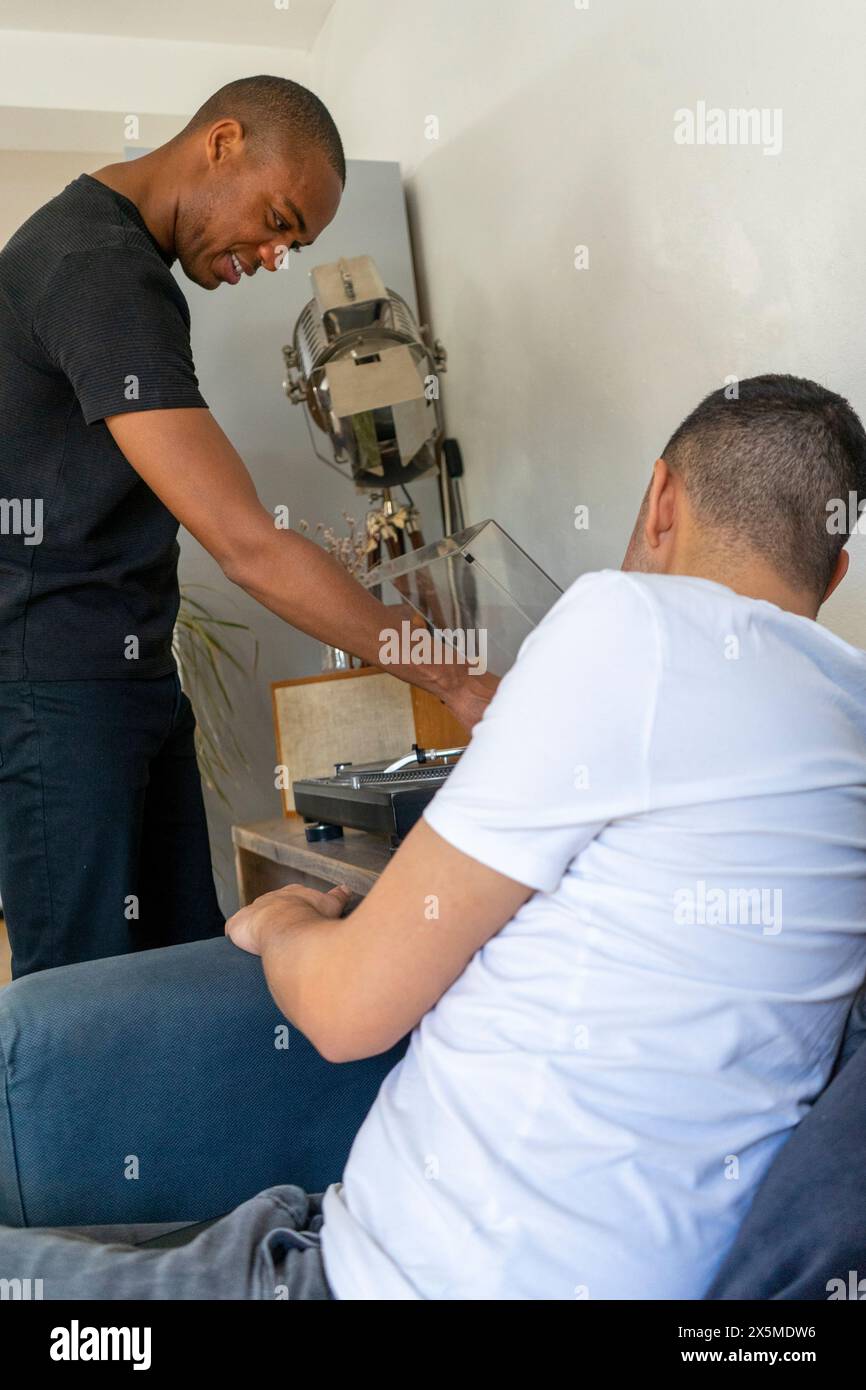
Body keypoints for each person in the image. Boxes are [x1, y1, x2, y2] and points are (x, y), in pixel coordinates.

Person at [1, 373, 864, 1299]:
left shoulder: (630, 622)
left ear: (661, 498)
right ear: (836, 572)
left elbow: (345, 1012)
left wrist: (279, 923)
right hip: (385, 1229)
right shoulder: (847, 714)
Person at [0, 75, 488, 979]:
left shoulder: (124, 265)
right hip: (58, 693)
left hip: (129, 677)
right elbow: (248, 546)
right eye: (276, 219)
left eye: (293, 243)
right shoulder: (98, 269)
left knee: (183, 964)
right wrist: (458, 681)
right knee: (82, 1001)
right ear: (222, 141)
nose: (273, 256)